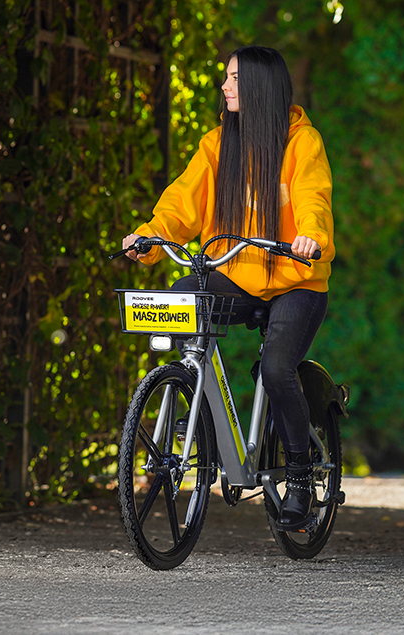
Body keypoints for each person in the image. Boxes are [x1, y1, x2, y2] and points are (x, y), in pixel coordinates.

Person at [121, 45, 335, 531]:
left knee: (279, 368)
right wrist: (151, 238)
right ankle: (190, 407)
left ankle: (300, 476)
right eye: (226, 77)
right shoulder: (216, 145)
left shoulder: (303, 143)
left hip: (296, 278)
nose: (225, 86)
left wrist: (311, 237)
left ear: (259, 85)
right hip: (237, 274)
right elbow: (181, 203)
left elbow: (312, 197)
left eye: (235, 78)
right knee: (179, 293)